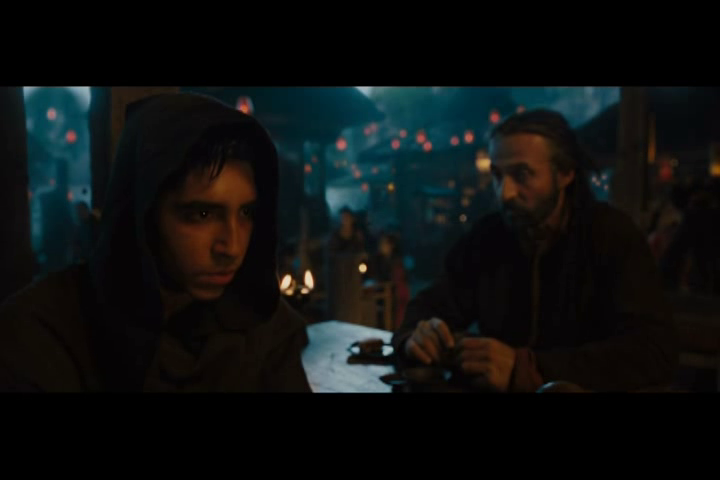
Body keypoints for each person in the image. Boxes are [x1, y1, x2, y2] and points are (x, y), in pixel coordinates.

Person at [0, 93, 312, 392]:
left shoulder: (261, 323)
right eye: (202, 214)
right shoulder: (40, 336)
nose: (231, 247)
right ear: (144, 212)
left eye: (246, 213)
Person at [392, 109, 678, 392]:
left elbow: (654, 351)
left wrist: (529, 368)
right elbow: (430, 305)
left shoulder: (610, 235)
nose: (505, 193)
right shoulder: (489, 237)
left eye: (522, 174)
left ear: (565, 173)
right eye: (497, 175)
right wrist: (418, 336)